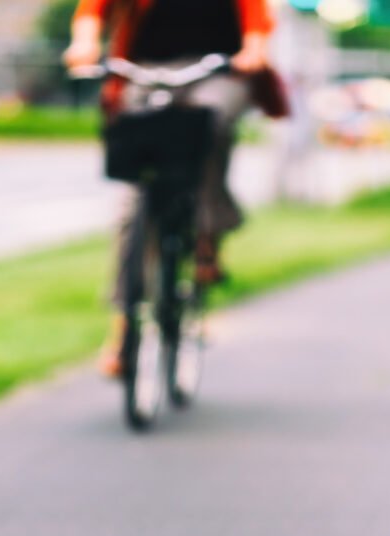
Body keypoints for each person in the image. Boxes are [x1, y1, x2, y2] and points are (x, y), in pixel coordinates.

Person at [64, 0, 281, 377]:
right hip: (147, 69)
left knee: (210, 123)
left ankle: (207, 234)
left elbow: (256, 17)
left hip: (217, 70)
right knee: (133, 191)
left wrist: (254, 50)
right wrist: (84, 43)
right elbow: (93, 10)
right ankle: (122, 329)